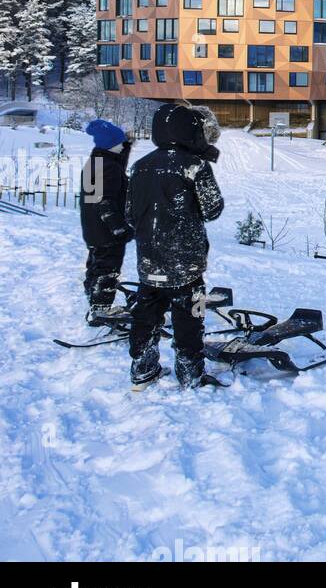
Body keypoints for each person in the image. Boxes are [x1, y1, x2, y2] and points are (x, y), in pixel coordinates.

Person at [125, 103, 224, 388]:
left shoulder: (140, 166)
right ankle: (190, 370)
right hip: (187, 262)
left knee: (145, 314)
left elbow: (130, 213)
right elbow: (212, 209)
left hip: (149, 258)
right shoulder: (194, 166)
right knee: (190, 316)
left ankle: (142, 367)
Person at [79, 119, 133, 316]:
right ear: (110, 145)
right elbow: (105, 201)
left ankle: (93, 297)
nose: (122, 146)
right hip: (107, 231)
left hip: (93, 229)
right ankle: (101, 309)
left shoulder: (93, 163)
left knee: (95, 264)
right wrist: (119, 227)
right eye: (119, 143)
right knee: (107, 269)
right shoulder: (109, 167)